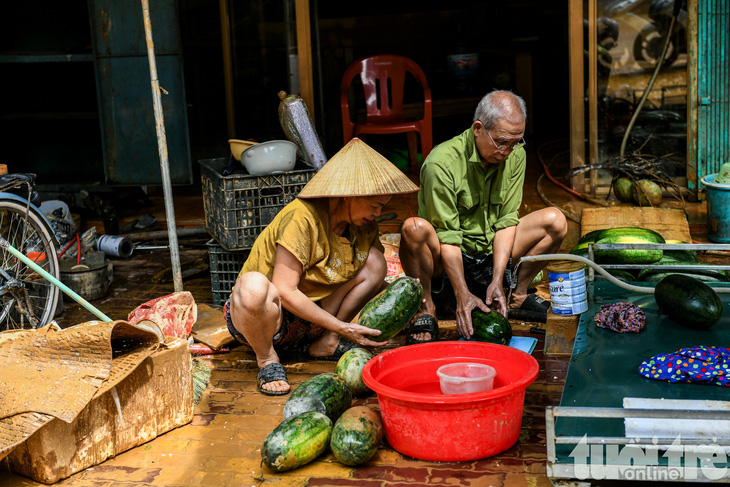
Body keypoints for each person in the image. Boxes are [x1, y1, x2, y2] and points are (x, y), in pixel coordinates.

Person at [226, 138, 420, 396]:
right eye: (375, 205)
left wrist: (407, 295)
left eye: (382, 207)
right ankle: (267, 359)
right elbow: (284, 290)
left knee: (375, 261)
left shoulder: (363, 225)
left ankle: (326, 342)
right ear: (349, 195)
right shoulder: (302, 217)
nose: (378, 212)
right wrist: (343, 327)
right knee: (253, 287)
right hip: (266, 320)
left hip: (313, 321)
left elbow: (371, 280)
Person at [398, 90, 567, 343]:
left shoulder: (514, 154)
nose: (507, 150)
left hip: (490, 250)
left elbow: (507, 220)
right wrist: (462, 293)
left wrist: (498, 279)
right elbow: (448, 237)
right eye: (501, 142)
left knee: (556, 220)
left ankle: (516, 294)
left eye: (515, 142)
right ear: (478, 128)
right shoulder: (441, 164)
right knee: (414, 229)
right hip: (448, 257)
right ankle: (427, 309)